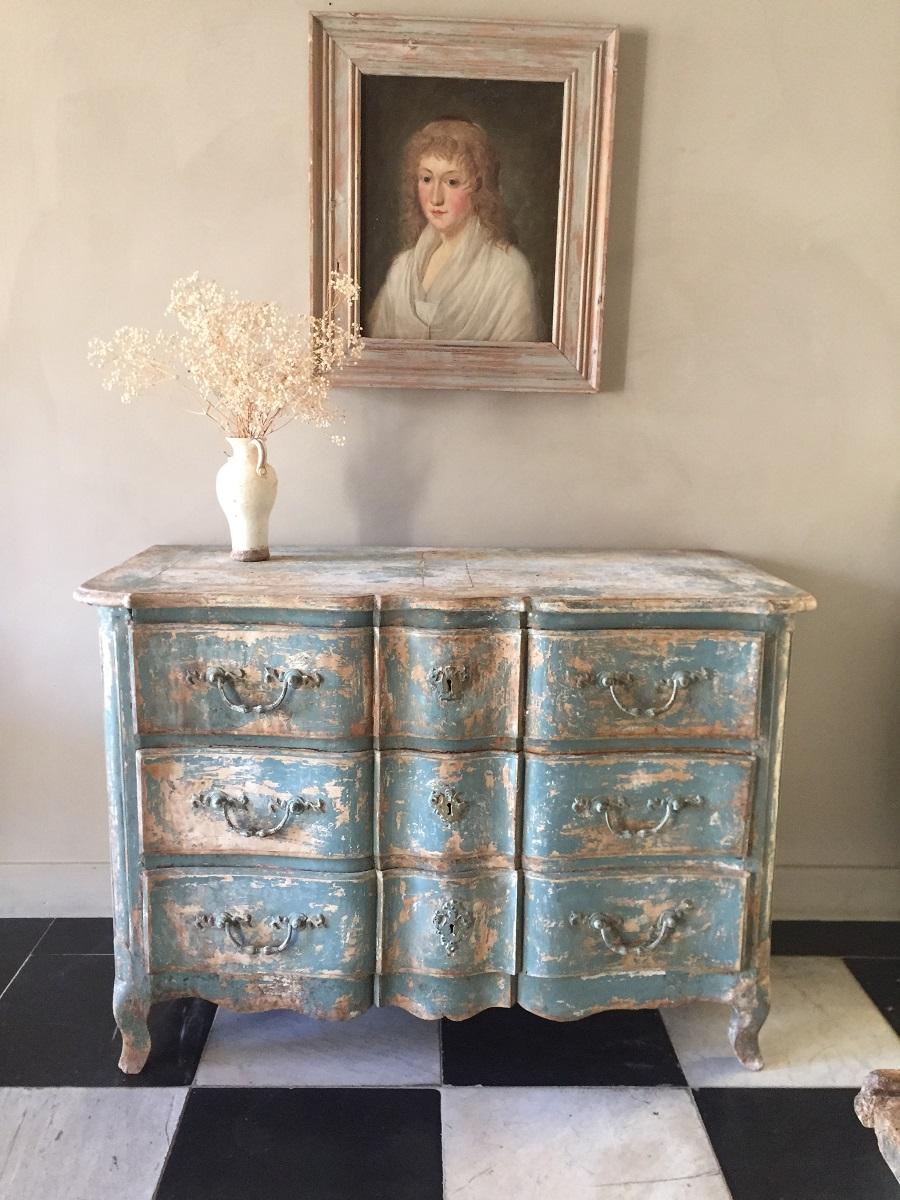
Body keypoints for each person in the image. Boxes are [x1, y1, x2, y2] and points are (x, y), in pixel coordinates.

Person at [368, 118, 541, 342]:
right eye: (427, 179)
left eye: (452, 182)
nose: (435, 198)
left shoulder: (508, 271)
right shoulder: (402, 270)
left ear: (478, 186)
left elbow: (519, 368)